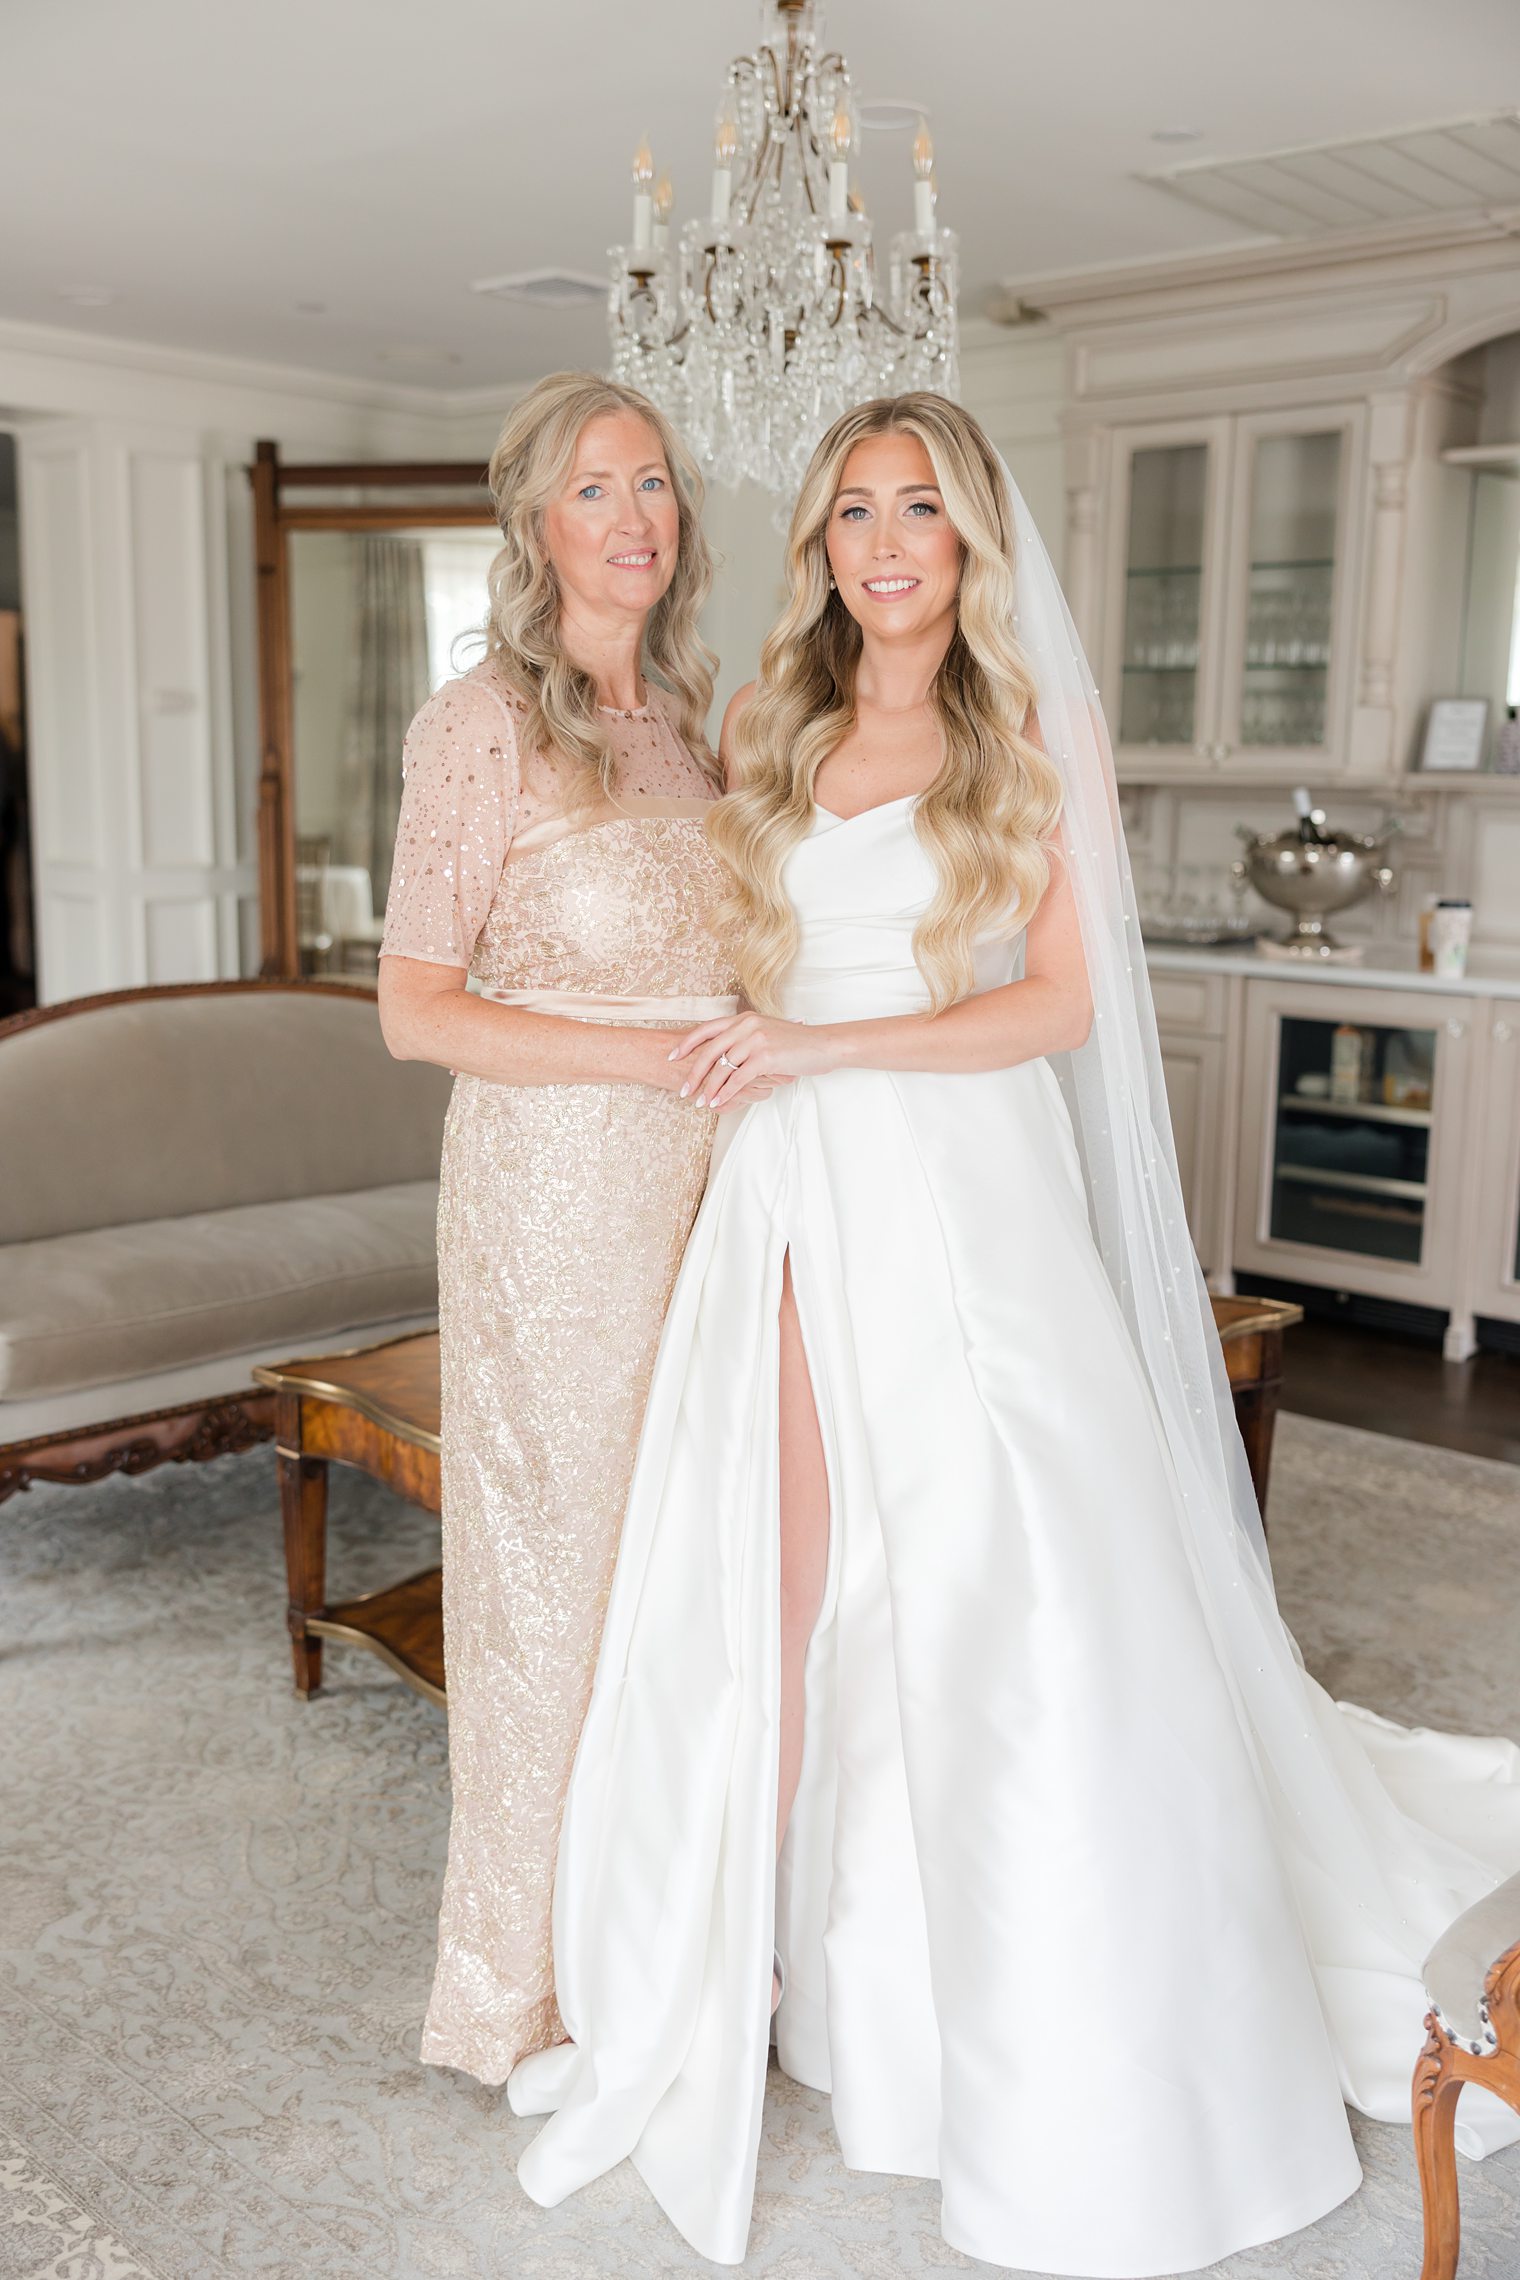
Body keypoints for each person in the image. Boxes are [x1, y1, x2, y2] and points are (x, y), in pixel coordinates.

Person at [506, 392, 1520, 2275]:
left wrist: (831, 1045)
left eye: (920, 513)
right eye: (851, 515)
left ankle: (1060, 2033)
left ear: (970, 540)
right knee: (785, 1581)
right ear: (818, 542)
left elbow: (1056, 1008)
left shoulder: (1027, 732)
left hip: (963, 1197)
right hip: (791, 1200)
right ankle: (798, 1971)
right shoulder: (766, 721)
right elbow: (737, 959)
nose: (884, 547)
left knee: (1011, 1581)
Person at [379, 371, 755, 2085]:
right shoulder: (478, 725)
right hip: (556, 1191)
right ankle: (514, 1986)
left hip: (714, 1180)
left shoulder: (693, 721)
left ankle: (660, 1937)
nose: (636, 515)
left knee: (694, 1563)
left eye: (656, 483)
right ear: (537, 524)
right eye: (597, 488)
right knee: (556, 1578)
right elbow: (419, 1011)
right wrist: (650, 1059)